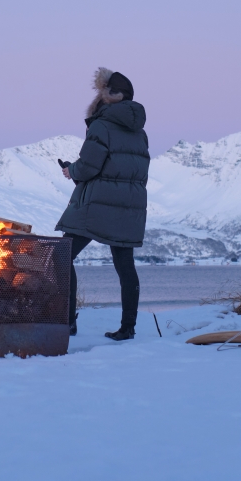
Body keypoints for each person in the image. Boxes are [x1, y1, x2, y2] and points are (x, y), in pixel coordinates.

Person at [56, 67, 149, 341]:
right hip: (129, 207)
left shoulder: (102, 124)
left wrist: (72, 170)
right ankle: (128, 328)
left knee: (61, 257)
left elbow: (90, 166)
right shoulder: (139, 132)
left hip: (96, 206)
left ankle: (67, 322)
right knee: (125, 266)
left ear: (109, 96)